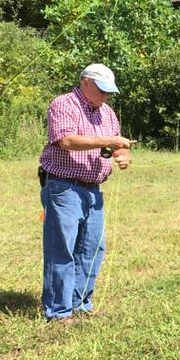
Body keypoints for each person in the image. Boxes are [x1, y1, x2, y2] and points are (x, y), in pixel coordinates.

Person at [39, 64, 135, 324]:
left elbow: (116, 145)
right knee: (63, 248)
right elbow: (67, 140)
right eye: (101, 89)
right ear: (85, 82)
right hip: (63, 187)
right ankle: (59, 311)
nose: (105, 96)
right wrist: (108, 142)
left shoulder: (108, 113)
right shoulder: (64, 104)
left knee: (92, 248)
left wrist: (122, 155)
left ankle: (80, 304)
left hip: (93, 191)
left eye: (109, 91)